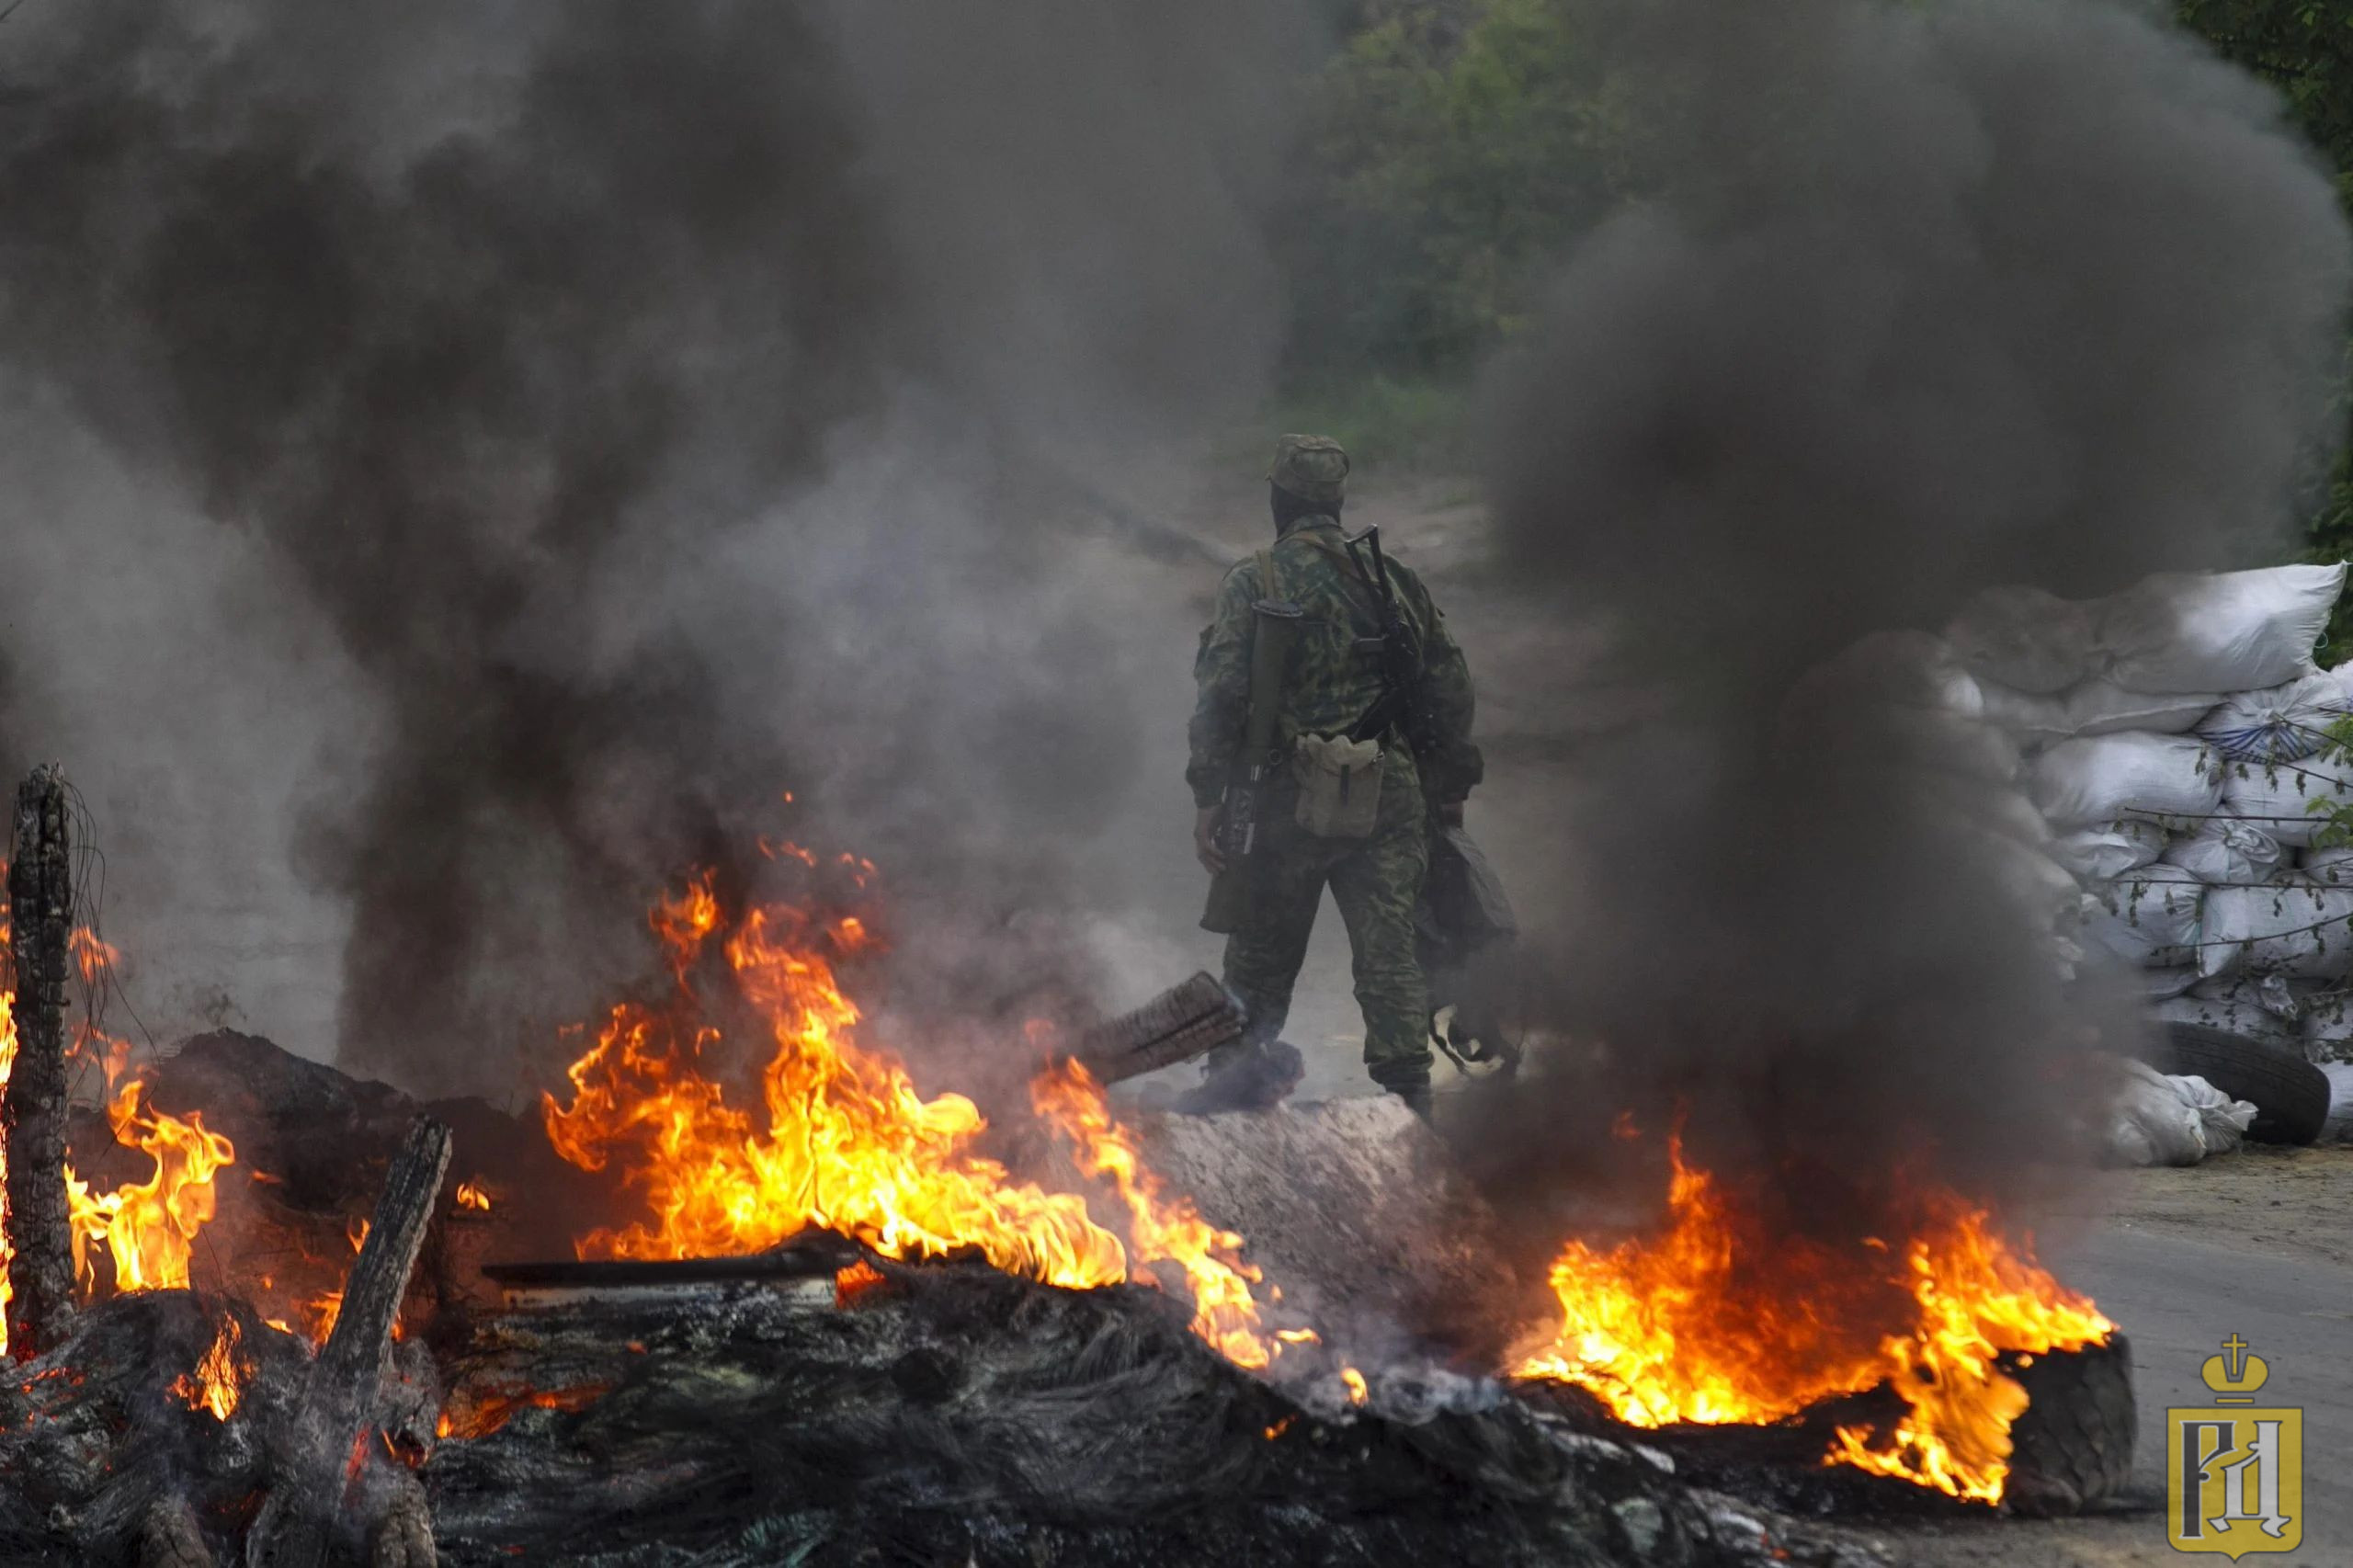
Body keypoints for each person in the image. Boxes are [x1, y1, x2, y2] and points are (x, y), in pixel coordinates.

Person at [1184, 434, 1481, 1115]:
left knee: (1259, 956)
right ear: (1338, 502)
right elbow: (1450, 685)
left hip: (1286, 797)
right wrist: (1451, 785)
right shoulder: (1391, 580)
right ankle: (1411, 1105)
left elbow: (1222, 695)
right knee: (1390, 953)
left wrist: (1208, 796)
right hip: (1385, 791)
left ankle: (1228, 1099)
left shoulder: (1254, 580)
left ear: (1277, 499)